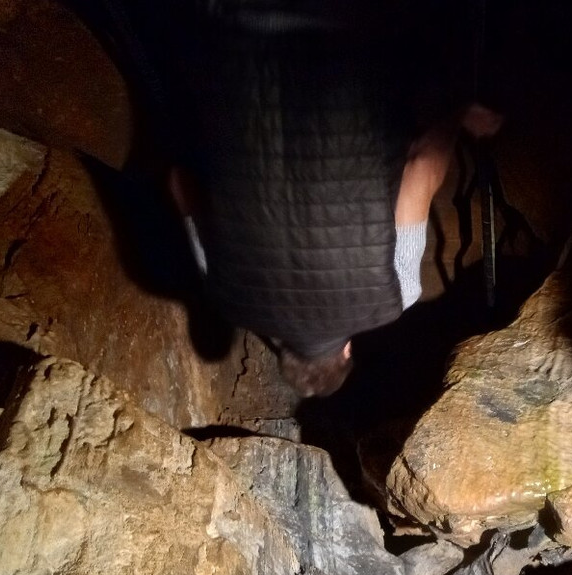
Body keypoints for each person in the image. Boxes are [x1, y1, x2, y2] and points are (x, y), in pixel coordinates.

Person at [164, 1, 501, 396]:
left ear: (346, 350)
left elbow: (420, 165)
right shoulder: (224, 291)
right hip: (233, 36)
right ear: (281, 349)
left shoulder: (399, 292)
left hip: (353, 34)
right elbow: (178, 179)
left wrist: (461, 115)